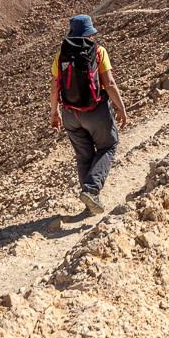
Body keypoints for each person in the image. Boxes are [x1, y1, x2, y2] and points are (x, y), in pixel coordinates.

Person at [50, 14, 128, 215]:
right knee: (108, 145)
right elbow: (109, 84)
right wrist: (121, 107)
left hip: (69, 114)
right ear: (90, 33)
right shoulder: (99, 52)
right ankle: (91, 190)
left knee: (84, 155)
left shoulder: (62, 54)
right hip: (96, 111)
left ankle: (89, 203)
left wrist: (54, 113)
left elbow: (53, 88)